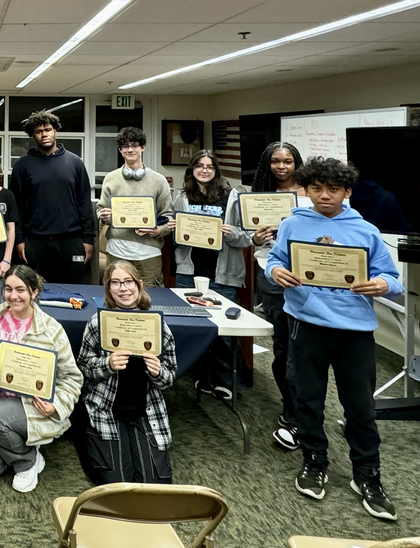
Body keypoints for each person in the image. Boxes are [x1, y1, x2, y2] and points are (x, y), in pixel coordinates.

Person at [267, 157, 402, 521]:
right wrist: (277, 270)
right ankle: (314, 461)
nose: (324, 196)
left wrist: (383, 284)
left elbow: (393, 278)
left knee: (359, 406)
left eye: (333, 189)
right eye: (316, 189)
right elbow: (273, 261)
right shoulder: (293, 224)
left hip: (354, 331)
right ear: (307, 190)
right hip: (306, 324)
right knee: (307, 399)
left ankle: (367, 474)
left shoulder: (366, 230)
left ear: (347, 192)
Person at [0, 265, 83, 492]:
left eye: (20, 290)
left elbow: (71, 378)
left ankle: (26, 462)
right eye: (8, 289)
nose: (13, 296)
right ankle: (25, 448)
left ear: (34, 292)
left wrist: (55, 405)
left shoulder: (52, 330)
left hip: (32, 406)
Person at [76, 260, 176, 485]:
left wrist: (159, 371)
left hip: (145, 410)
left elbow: (170, 376)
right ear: (108, 289)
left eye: (128, 281)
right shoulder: (98, 323)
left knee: (157, 484)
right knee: (115, 483)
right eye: (116, 283)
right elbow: (83, 367)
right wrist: (108, 364)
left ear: (139, 285)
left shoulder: (158, 326)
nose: (123, 288)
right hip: (107, 408)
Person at [168, 150, 251, 399]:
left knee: (223, 331)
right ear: (191, 169)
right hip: (189, 271)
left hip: (223, 272)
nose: (204, 170)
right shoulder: (182, 197)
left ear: (216, 170)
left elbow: (246, 237)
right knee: (195, 328)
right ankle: (203, 377)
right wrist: (173, 229)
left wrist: (230, 233)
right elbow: (176, 238)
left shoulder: (232, 196)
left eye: (210, 167)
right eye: (199, 166)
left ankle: (225, 380)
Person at [249, 142, 308, 450]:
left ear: (296, 163)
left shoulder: (310, 195)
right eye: (275, 161)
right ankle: (290, 408)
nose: (281, 166)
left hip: (306, 279)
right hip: (271, 275)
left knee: (304, 349)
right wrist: (254, 237)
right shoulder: (259, 194)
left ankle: (304, 410)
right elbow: (250, 237)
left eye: (287, 161)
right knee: (282, 346)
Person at [11, 110, 96, 283]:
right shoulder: (22, 166)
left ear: (55, 131)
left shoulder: (75, 163)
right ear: (33, 136)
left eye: (48, 129)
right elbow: (17, 207)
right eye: (38, 131)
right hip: (35, 241)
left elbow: (84, 203)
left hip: (70, 240)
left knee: (74, 290)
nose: (44, 135)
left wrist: (88, 238)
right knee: (36, 291)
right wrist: (19, 239)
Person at [96, 127, 174, 287]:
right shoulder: (111, 178)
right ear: (120, 150)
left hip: (149, 254)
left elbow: (168, 218)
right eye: (125, 146)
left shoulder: (158, 180)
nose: (130, 149)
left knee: (152, 300)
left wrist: (159, 230)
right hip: (117, 251)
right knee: (114, 298)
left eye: (134, 145)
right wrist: (103, 216)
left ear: (142, 147)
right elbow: (100, 211)